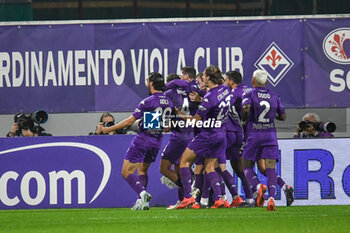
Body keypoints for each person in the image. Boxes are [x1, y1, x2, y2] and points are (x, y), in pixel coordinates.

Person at [102, 72, 174, 211]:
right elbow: (167, 126)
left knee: (126, 171)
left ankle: (142, 194)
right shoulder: (169, 102)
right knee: (142, 169)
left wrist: (109, 128)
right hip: (156, 141)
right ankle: (142, 202)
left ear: (152, 83)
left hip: (143, 140)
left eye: (147, 80)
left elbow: (130, 121)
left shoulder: (148, 101)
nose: (146, 83)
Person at [176, 65, 230, 209]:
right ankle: (220, 199)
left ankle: (188, 197)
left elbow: (195, 120)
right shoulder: (225, 89)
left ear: (208, 78)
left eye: (204, 76)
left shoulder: (208, 98)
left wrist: (180, 114)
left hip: (208, 134)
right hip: (221, 133)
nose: (202, 78)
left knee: (184, 161)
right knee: (210, 166)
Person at [242, 69, 286, 211]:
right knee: (271, 167)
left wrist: (245, 115)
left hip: (254, 134)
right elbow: (283, 116)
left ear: (253, 81)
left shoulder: (249, 93)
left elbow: (246, 107)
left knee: (247, 166)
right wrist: (273, 116)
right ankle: (272, 199)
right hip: (270, 135)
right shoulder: (274, 95)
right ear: (266, 82)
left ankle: (258, 186)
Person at [160, 73, 198, 210]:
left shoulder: (169, 93)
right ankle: (183, 199)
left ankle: (190, 190)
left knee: (164, 168)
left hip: (178, 136)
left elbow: (166, 111)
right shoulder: (192, 91)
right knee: (180, 168)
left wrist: (165, 124)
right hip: (192, 133)